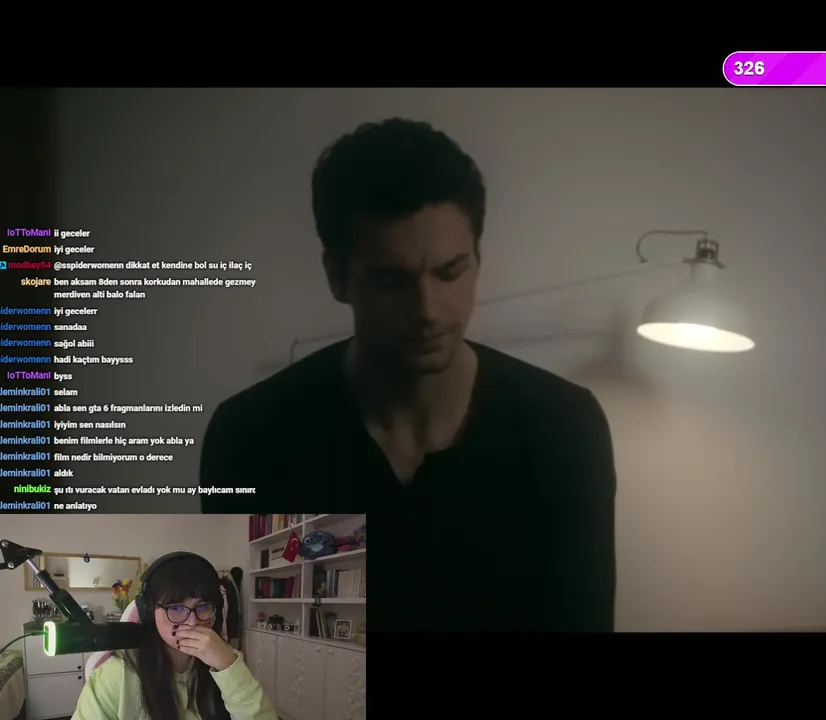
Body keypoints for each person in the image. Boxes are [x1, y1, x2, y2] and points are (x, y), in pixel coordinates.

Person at [199, 118, 617, 631]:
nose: (428, 311)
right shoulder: (250, 436)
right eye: (391, 281)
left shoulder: (565, 426)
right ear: (337, 276)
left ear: (478, 259)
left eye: (450, 271)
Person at [72, 553, 276, 720]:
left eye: (203, 607)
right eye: (176, 608)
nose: (192, 622)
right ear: (150, 612)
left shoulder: (226, 659)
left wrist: (227, 667)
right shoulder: (117, 674)